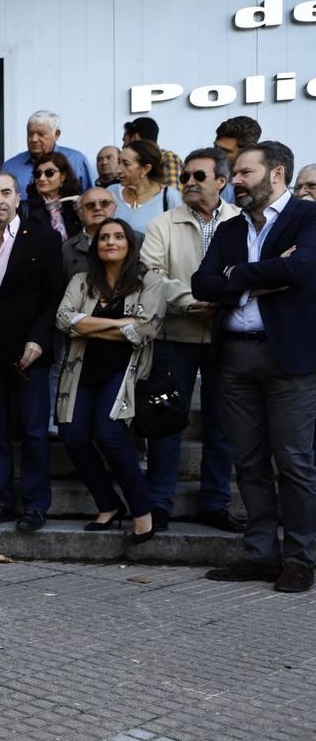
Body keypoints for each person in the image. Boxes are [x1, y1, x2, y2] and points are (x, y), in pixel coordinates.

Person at [194, 141, 316, 593]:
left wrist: (234, 279)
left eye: (245, 173)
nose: (236, 182)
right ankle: (261, 554)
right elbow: (201, 281)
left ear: (277, 173)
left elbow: (301, 271)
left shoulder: (308, 217)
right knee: (247, 463)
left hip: (290, 359)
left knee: (295, 462)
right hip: (234, 357)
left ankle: (301, 558)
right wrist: (259, 279)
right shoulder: (229, 228)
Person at [140, 148, 242, 534]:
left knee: (222, 423)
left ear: (222, 181)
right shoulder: (162, 223)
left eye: (200, 176)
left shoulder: (241, 221)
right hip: (174, 337)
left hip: (227, 335)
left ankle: (215, 503)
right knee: (166, 423)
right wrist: (188, 301)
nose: (190, 184)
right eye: (185, 178)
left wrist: (222, 303)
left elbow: (249, 269)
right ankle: (159, 504)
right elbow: (151, 274)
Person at [0, 173, 63, 533]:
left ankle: (36, 506)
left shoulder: (45, 240)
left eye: (6, 193)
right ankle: (2, 500)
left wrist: (39, 339)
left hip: (30, 353)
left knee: (34, 432)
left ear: (18, 198)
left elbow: (53, 295)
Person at [55, 218, 165, 542]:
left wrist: (87, 323)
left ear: (130, 244)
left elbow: (146, 330)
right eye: (104, 237)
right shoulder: (81, 280)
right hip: (80, 370)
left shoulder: (149, 281)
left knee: (109, 435)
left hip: (123, 373)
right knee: (73, 437)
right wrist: (119, 324)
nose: (110, 242)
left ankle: (142, 512)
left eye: (118, 237)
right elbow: (63, 319)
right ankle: (108, 504)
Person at [3, 110, 95, 195]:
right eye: (30, 134)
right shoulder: (10, 167)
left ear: (56, 134)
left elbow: (91, 198)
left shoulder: (76, 161)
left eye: (41, 134)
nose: (34, 139)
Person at [109, 140, 182, 234]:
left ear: (146, 169)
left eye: (126, 164)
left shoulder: (170, 196)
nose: (118, 170)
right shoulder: (111, 192)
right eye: (119, 162)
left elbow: (179, 237)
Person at [62, 187, 123, 282]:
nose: (97, 208)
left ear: (114, 208)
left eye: (104, 203)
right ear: (79, 213)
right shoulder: (67, 249)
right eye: (90, 205)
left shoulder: (135, 240)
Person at [24, 151, 84, 243]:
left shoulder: (76, 204)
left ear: (63, 176)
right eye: (38, 174)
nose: (41, 178)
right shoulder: (26, 208)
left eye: (49, 173)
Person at [213, 116, 261, 204]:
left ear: (246, 153)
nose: (216, 154)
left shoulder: (259, 185)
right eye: (215, 147)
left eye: (225, 151)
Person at [122, 117, 183, 186]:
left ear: (135, 138)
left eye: (124, 141)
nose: (123, 147)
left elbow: (174, 192)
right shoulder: (129, 164)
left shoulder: (167, 158)